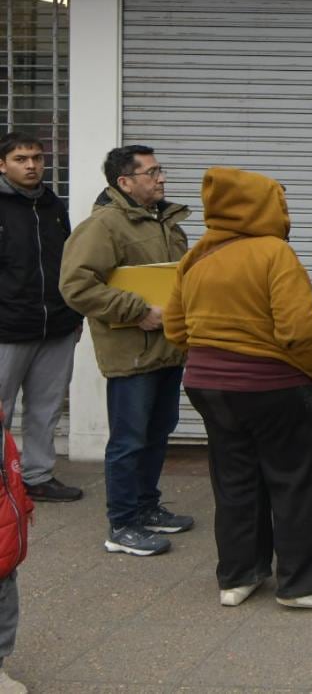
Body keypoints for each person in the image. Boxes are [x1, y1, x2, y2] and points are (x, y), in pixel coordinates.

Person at [165, 167, 312, 610]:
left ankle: (237, 578)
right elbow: (299, 329)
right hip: (271, 387)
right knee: (297, 482)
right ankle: (304, 584)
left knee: (234, 481)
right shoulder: (274, 253)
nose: (285, 212)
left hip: (207, 387)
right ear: (258, 206)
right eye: (279, 202)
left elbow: (175, 329)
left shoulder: (196, 258)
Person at [59, 145, 194, 556]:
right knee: (129, 440)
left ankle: (146, 507)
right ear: (125, 182)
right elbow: (76, 286)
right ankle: (121, 525)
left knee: (157, 433)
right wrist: (137, 311)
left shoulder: (166, 221)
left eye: (160, 171)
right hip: (132, 352)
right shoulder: (104, 226)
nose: (161, 179)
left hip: (169, 347)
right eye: (152, 173)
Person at [0, 132, 84, 503]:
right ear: (2, 165)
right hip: (7, 328)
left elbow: (67, 263)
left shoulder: (53, 205)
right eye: (21, 158)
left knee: (46, 408)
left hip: (57, 327)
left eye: (36, 157)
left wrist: (74, 314)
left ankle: (37, 476)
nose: (32, 165)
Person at [0, 404, 35, 694]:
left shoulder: (3, 433)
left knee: (5, 604)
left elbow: (12, 477)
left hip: (7, 540)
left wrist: (24, 505)